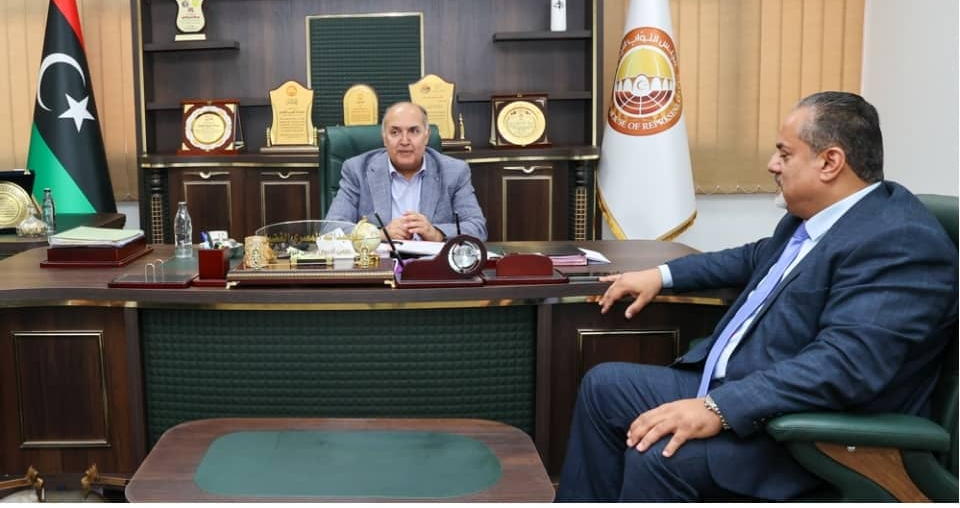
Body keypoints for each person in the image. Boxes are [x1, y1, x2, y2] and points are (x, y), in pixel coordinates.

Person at [556, 91, 958, 501]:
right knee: (604, 388)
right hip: (751, 389)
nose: (772, 164)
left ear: (830, 162)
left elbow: (844, 366)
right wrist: (660, 275)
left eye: (784, 154)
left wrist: (718, 407)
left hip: (810, 431)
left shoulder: (901, 242)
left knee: (658, 454)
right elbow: (753, 257)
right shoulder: (818, 218)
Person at [326, 101, 487, 241]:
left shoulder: (454, 172)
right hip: (382, 262)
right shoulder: (357, 170)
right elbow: (330, 230)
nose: (404, 141)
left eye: (414, 131)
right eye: (395, 132)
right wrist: (380, 235)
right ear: (384, 137)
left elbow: (477, 228)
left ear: (426, 136)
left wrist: (436, 233)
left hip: (432, 263)